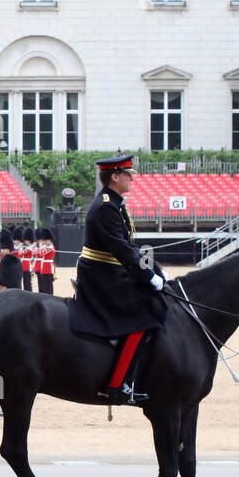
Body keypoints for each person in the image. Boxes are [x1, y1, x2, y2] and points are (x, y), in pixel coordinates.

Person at [70, 154, 167, 405]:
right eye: (128, 174)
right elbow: (122, 251)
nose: (131, 177)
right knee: (142, 315)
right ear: (115, 177)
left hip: (111, 271)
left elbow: (129, 246)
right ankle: (118, 384)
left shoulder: (114, 203)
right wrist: (149, 277)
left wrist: (153, 269)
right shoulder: (105, 207)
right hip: (102, 276)